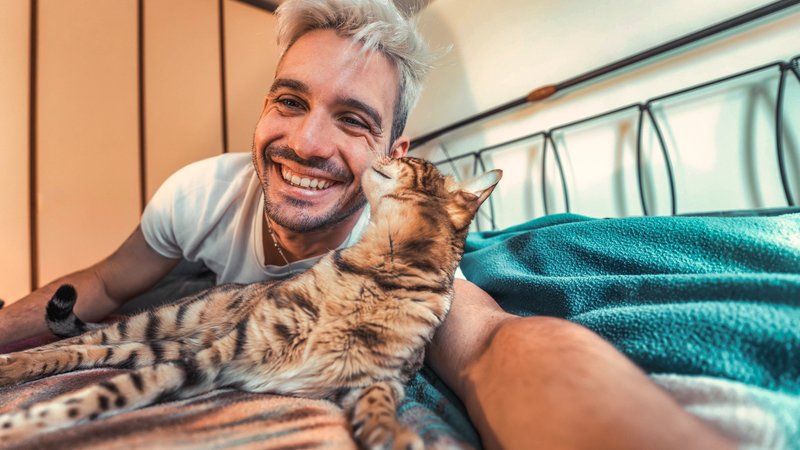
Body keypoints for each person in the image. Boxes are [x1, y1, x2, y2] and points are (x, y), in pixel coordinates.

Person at [0, 0, 733, 448]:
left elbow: (486, 343)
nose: (307, 143)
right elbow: (103, 283)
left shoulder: (405, 243)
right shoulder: (199, 194)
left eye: (353, 120)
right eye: (290, 101)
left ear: (394, 157)